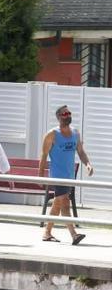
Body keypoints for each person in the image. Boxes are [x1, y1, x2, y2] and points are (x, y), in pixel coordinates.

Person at [40, 105, 95, 245]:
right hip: (57, 175)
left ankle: (47, 232)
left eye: (69, 113)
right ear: (59, 117)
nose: (68, 115)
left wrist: (88, 164)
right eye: (65, 114)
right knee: (65, 201)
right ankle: (74, 234)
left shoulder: (75, 133)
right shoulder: (52, 134)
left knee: (57, 204)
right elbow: (44, 155)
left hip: (69, 176)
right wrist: (40, 175)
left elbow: (81, 152)